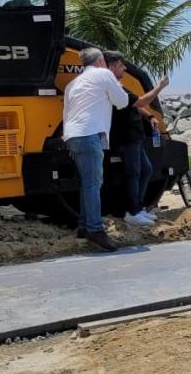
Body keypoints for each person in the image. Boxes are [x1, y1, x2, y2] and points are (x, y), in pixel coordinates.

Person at [63, 48, 129, 252]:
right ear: (101, 60)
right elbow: (122, 102)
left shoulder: (72, 83)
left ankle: (84, 226)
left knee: (87, 183)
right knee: (93, 184)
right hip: (90, 134)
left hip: (72, 135)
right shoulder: (104, 74)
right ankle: (94, 229)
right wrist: (118, 86)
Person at [103, 51, 169, 226]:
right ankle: (132, 212)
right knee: (133, 173)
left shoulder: (118, 85)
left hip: (135, 137)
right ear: (111, 66)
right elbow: (140, 101)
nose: (124, 68)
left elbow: (134, 104)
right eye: (121, 65)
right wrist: (160, 87)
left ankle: (138, 208)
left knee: (145, 170)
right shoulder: (112, 86)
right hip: (126, 138)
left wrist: (149, 117)